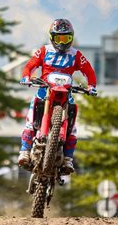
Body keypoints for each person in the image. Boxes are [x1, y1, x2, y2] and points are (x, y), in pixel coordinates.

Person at [18, 18, 97, 175]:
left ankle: (68, 159)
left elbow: (89, 71)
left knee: (73, 127)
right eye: (58, 38)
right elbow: (30, 65)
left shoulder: (76, 55)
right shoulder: (44, 51)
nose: (62, 42)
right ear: (52, 37)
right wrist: (26, 76)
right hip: (44, 92)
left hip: (66, 95)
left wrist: (91, 86)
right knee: (29, 120)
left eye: (66, 38)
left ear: (71, 38)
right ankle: (24, 151)